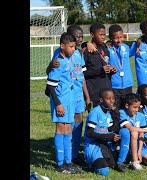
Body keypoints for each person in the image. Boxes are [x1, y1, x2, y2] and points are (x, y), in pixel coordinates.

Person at [45, 24, 91, 167]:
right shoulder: (59, 57)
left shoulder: (78, 53)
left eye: (81, 37)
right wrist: (51, 65)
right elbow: (51, 76)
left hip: (75, 95)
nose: (79, 40)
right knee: (64, 125)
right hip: (63, 96)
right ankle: (63, 160)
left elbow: (81, 75)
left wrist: (86, 96)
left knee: (75, 124)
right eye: (76, 37)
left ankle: (72, 156)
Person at [83, 88, 130, 176]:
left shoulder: (108, 113)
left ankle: (120, 162)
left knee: (125, 132)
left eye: (113, 98)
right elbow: (89, 133)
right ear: (101, 100)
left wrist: (115, 115)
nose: (112, 101)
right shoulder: (95, 112)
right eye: (109, 98)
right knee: (104, 171)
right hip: (93, 145)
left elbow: (111, 130)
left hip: (104, 143)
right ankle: (92, 162)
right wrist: (109, 136)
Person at [119, 93, 147, 170]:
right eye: (134, 107)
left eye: (138, 107)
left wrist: (139, 151)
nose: (137, 110)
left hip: (140, 145)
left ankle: (137, 157)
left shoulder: (140, 116)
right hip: (128, 144)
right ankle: (135, 161)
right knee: (134, 132)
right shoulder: (122, 113)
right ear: (127, 106)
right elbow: (130, 128)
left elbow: (141, 134)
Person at [82, 22, 118, 108]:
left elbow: (106, 65)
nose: (103, 37)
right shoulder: (87, 51)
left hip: (107, 90)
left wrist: (111, 70)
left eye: (104, 34)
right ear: (92, 35)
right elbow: (82, 73)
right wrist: (100, 70)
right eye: (100, 34)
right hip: (95, 92)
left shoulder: (105, 48)